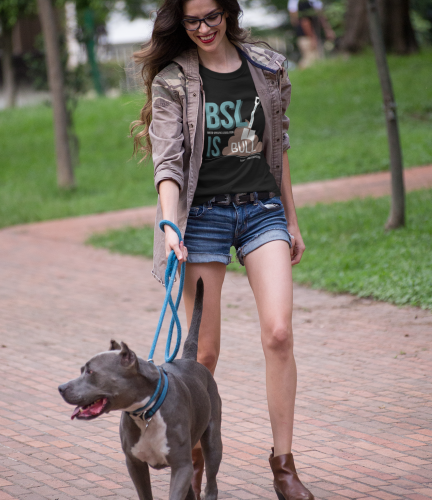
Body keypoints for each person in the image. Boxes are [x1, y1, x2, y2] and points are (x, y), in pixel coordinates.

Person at [132, 1, 312, 499]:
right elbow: (167, 163)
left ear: (228, 13)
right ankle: (188, 466)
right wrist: (171, 225)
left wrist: (291, 219)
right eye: (193, 21)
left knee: (278, 333)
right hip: (202, 219)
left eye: (212, 16)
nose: (204, 28)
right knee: (203, 354)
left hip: (261, 211)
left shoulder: (267, 67)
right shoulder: (174, 81)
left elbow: (280, 146)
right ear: (181, 23)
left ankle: (284, 465)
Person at [288, 0, 335, 69]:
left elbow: (294, 21)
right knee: (310, 61)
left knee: (315, 60)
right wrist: (313, 37)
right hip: (307, 37)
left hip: (308, 36)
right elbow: (305, 21)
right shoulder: (303, 3)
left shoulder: (299, 3)